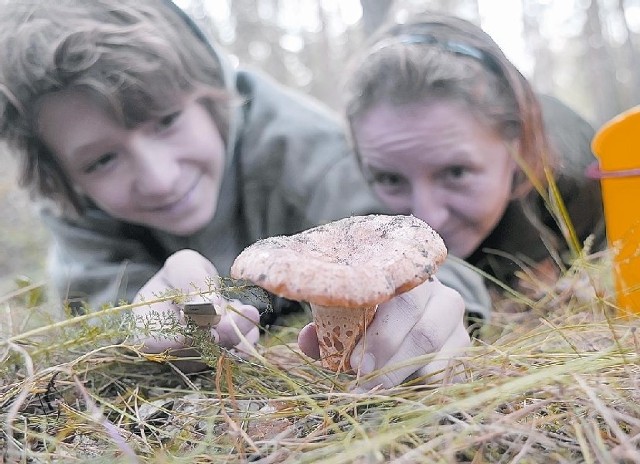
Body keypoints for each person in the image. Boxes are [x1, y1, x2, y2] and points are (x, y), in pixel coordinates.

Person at [0, 0, 473, 389]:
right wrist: (154, 332)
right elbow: (102, 313)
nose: (160, 178)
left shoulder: (303, 151)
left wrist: (434, 315)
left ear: (211, 93)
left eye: (166, 120)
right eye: (102, 160)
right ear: (64, 179)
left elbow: (430, 261)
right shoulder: (76, 214)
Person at [341, 13, 606, 298]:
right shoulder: (348, 195)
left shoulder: (580, 186)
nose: (428, 217)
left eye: (456, 172)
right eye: (390, 178)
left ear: (517, 145)